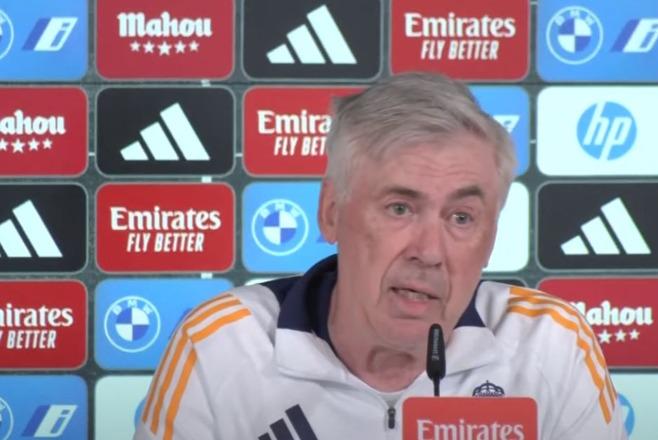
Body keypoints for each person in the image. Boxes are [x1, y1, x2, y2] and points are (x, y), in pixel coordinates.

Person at [134, 72, 627, 440]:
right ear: (331, 212)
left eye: (461, 217)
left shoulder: (548, 342)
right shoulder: (224, 344)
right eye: (400, 208)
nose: (429, 253)